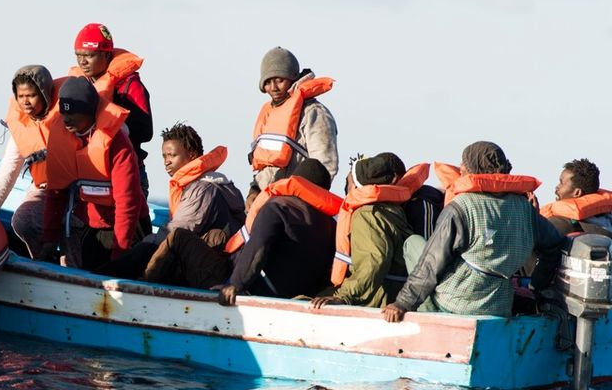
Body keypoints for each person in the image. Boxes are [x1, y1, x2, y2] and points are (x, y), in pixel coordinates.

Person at [382, 141, 566, 321]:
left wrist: (403, 303)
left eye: (464, 163)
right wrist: (537, 285)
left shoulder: (462, 206)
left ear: (474, 168)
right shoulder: (525, 209)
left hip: (455, 304)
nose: (460, 167)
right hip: (499, 305)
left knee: (413, 242)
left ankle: (429, 313)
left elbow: (431, 263)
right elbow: (554, 245)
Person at [102, 122, 245, 280]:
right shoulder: (199, 184)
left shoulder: (203, 189)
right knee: (148, 245)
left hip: (218, 269)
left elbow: (176, 230)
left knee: (150, 247)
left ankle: (104, 279)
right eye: (164, 156)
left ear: (192, 155)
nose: (166, 162)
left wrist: (144, 246)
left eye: (172, 155)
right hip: (211, 260)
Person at [40, 78, 146, 271]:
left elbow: (128, 203)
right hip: (93, 224)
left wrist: (120, 252)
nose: (66, 119)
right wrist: (49, 238)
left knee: (111, 273)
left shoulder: (117, 143)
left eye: (73, 112)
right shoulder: (61, 138)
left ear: (90, 112)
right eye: (64, 112)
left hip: (129, 227)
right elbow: (56, 192)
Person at [217, 159, 341, 305]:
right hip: (303, 299)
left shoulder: (278, 207)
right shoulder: (333, 226)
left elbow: (258, 248)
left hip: (262, 291)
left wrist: (235, 284)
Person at [311, 153, 420, 309]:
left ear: (356, 186)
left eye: (348, 182)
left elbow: (374, 261)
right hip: (393, 291)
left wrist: (345, 297)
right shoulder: (391, 210)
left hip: (378, 297)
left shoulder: (367, 214)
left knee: (302, 300)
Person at [0, 64, 66, 258]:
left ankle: (67, 267)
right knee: (23, 220)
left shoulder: (68, 116)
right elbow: (8, 171)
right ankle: (41, 261)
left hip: (74, 189)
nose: (26, 102)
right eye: (21, 96)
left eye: (31, 95)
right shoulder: (21, 125)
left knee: (70, 232)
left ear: (45, 94)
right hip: (45, 187)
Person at [71, 23, 152, 194]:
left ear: (106, 55)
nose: (82, 62)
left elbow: (146, 131)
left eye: (89, 56)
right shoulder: (79, 86)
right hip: (90, 174)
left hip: (128, 171)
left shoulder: (129, 86)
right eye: (78, 56)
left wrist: (113, 122)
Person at [248, 46, 339, 194]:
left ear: (293, 78)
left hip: (295, 203)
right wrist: (254, 189)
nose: (273, 88)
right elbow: (267, 166)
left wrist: (298, 200)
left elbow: (325, 166)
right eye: (268, 82)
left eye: (280, 80)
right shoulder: (269, 114)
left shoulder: (314, 113)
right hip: (267, 198)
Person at [539, 158, 612, 237]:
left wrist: (532, 213)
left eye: (561, 183)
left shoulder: (560, 223)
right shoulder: (608, 218)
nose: (557, 187)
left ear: (577, 193)